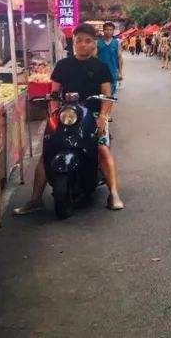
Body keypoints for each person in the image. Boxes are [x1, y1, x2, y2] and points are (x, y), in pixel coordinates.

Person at [15, 23, 123, 213]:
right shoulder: (63, 65)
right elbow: (54, 93)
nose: (82, 44)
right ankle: (35, 199)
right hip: (66, 116)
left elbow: (107, 96)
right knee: (46, 153)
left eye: (88, 41)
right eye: (79, 40)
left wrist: (103, 117)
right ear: (73, 43)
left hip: (93, 115)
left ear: (94, 44)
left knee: (102, 148)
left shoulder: (101, 67)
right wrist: (54, 115)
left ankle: (113, 193)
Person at [97, 22, 123, 95]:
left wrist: (120, 72)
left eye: (110, 30)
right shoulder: (97, 43)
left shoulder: (116, 43)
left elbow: (120, 58)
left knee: (110, 94)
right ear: (103, 31)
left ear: (113, 31)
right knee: (101, 93)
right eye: (106, 29)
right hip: (100, 72)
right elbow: (94, 57)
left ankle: (108, 106)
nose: (108, 31)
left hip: (113, 72)